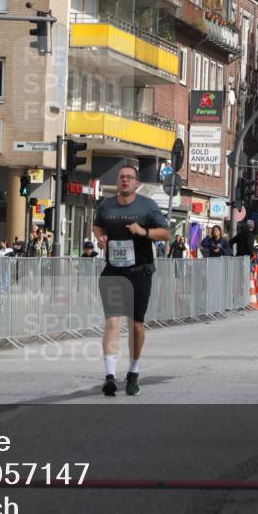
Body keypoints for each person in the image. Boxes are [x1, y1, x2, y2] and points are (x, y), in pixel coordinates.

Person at [93, 164, 169, 397]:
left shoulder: (148, 206)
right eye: (121, 177)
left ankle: (134, 371)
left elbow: (166, 233)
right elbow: (97, 225)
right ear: (117, 181)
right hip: (114, 271)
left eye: (129, 178)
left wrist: (143, 232)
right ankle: (109, 376)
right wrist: (100, 238)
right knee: (112, 323)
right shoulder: (105, 205)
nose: (125, 181)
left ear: (136, 182)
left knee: (135, 324)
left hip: (139, 271)